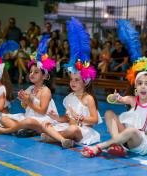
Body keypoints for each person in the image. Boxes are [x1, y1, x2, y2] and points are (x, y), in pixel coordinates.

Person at [82, 60, 147, 158]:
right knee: (109, 113)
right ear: (136, 87)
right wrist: (114, 97)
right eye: (140, 83)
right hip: (126, 139)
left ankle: (99, 147)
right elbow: (114, 100)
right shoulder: (133, 100)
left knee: (131, 130)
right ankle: (118, 144)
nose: (143, 87)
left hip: (141, 144)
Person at [40, 17, 102, 148]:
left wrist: (80, 117)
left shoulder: (88, 98)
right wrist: (57, 118)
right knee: (47, 124)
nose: (72, 82)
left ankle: (53, 137)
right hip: (69, 127)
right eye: (71, 80)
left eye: (77, 80)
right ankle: (60, 138)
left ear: (85, 82)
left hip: (82, 131)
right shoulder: (69, 98)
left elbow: (95, 120)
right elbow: (67, 119)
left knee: (72, 130)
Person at [0, 35, 57, 134]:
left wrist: (29, 102)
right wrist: (23, 100)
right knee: (4, 119)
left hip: (41, 120)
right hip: (28, 117)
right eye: (31, 72)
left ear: (44, 76)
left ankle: (6, 130)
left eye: (36, 72)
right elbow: (26, 107)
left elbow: (42, 111)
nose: (32, 74)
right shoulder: (30, 88)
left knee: (27, 122)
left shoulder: (45, 91)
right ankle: (23, 129)